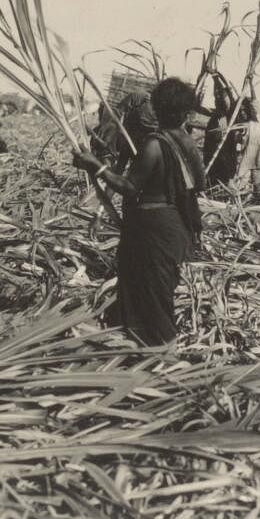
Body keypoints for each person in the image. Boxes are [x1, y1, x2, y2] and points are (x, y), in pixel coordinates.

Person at [71, 77, 206, 348]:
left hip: (152, 230)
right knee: (149, 287)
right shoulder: (188, 143)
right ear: (185, 112)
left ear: (157, 108)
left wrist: (95, 165)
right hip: (173, 226)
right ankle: (134, 343)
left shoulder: (155, 144)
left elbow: (130, 187)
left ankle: (164, 353)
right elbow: (199, 183)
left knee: (151, 294)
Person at [202, 72, 244, 189]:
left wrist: (216, 78)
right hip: (219, 155)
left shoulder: (230, 115)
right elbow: (217, 138)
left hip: (226, 153)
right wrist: (216, 78)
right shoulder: (220, 117)